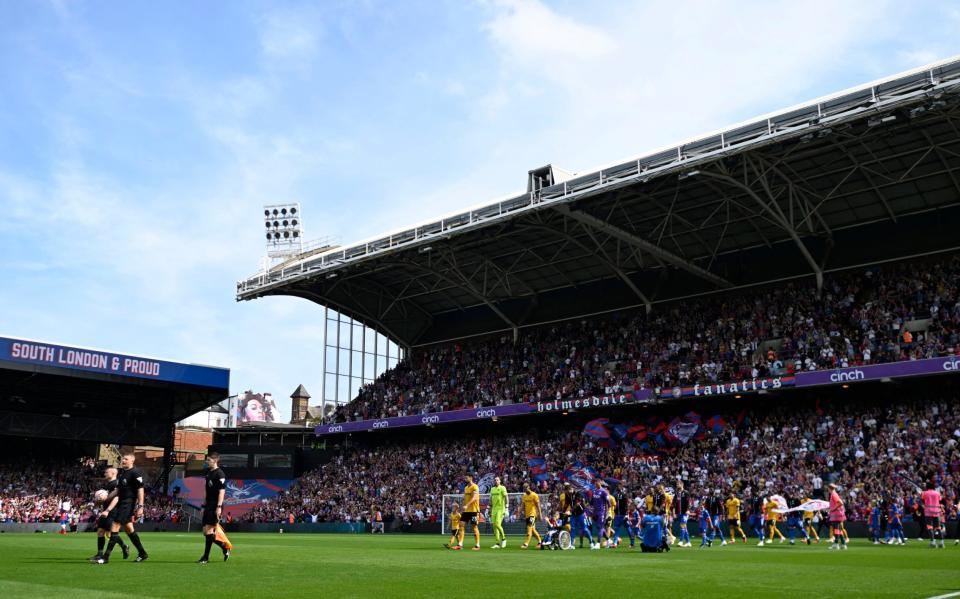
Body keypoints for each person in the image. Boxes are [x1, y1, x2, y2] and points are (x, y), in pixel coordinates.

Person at [97, 453, 148, 563]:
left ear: (132, 461)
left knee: (114, 527)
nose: (123, 460)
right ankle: (143, 553)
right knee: (129, 530)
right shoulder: (123, 474)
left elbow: (140, 489)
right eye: (123, 459)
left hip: (128, 504)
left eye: (126, 459)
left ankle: (105, 558)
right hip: (122, 503)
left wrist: (140, 506)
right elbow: (117, 491)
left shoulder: (135, 472)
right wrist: (105, 498)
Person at [89, 466, 129, 562]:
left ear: (113, 473)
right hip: (106, 511)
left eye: (106, 472)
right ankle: (99, 554)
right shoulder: (108, 484)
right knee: (100, 532)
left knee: (110, 533)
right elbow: (106, 498)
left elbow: (116, 498)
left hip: (113, 511)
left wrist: (108, 510)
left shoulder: (116, 483)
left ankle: (124, 546)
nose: (105, 474)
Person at [198, 453, 231, 563]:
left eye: (209, 460)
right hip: (208, 505)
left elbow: (222, 491)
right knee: (205, 532)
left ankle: (205, 558)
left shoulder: (220, 473)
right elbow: (206, 490)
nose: (207, 462)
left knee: (208, 531)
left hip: (215, 504)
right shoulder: (208, 473)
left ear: (215, 460)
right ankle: (224, 547)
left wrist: (219, 506)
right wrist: (203, 505)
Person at [459, 474, 481, 551]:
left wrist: (467, 505)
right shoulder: (466, 488)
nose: (465, 479)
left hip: (474, 510)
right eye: (465, 477)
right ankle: (460, 544)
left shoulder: (475, 486)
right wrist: (463, 507)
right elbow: (465, 499)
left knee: (474, 526)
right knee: (461, 525)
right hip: (466, 511)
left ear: (471, 478)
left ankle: (477, 545)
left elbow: (474, 498)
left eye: (466, 477)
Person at [921, 481, 944, 548]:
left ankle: (933, 542)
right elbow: (940, 500)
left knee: (929, 527)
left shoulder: (925, 493)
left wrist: (922, 493)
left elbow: (922, 500)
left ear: (927, 487)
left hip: (928, 511)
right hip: (937, 511)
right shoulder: (937, 493)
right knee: (938, 527)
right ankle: (942, 543)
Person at [518, 483, 542, 549]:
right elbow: (523, 505)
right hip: (527, 515)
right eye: (524, 488)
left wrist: (540, 514)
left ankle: (526, 544)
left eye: (526, 488)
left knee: (529, 529)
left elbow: (538, 506)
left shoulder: (534, 495)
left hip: (533, 514)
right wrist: (519, 513)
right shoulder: (524, 496)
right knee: (533, 530)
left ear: (529, 487)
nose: (525, 489)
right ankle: (540, 542)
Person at [489, 476, 508, 549]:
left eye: (497, 480)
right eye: (495, 480)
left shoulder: (502, 488)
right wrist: (488, 508)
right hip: (494, 509)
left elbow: (506, 497)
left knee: (497, 523)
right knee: (494, 526)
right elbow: (490, 499)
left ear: (500, 481)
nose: (496, 481)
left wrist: (506, 508)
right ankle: (497, 543)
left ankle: (504, 539)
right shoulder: (492, 489)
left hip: (501, 509)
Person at [590, 482, 610, 549]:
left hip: (602, 512)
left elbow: (608, 502)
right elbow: (591, 502)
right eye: (595, 484)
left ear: (600, 484)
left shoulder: (604, 492)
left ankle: (598, 544)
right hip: (595, 512)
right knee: (600, 528)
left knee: (600, 527)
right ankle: (609, 540)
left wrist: (608, 512)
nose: (596, 484)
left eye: (597, 483)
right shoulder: (594, 492)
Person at [828, 483, 847, 550]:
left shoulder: (833, 494)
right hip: (837, 514)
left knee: (836, 529)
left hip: (836, 514)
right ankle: (843, 544)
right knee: (838, 529)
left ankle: (836, 544)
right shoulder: (834, 493)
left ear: (829, 488)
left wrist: (833, 509)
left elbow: (840, 503)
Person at [674, 482, 691, 547]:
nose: (677, 485)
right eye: (677, 484)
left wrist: (688, 510)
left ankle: (681, 541)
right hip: (679, 512)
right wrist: (674, 512)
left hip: (685, 512)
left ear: (682, 485)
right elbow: (674, 503)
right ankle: (688, 542)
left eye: (678, 484)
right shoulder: (677, 493)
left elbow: (689, 502)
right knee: (684, 527)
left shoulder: (686, 492)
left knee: (682, 525)